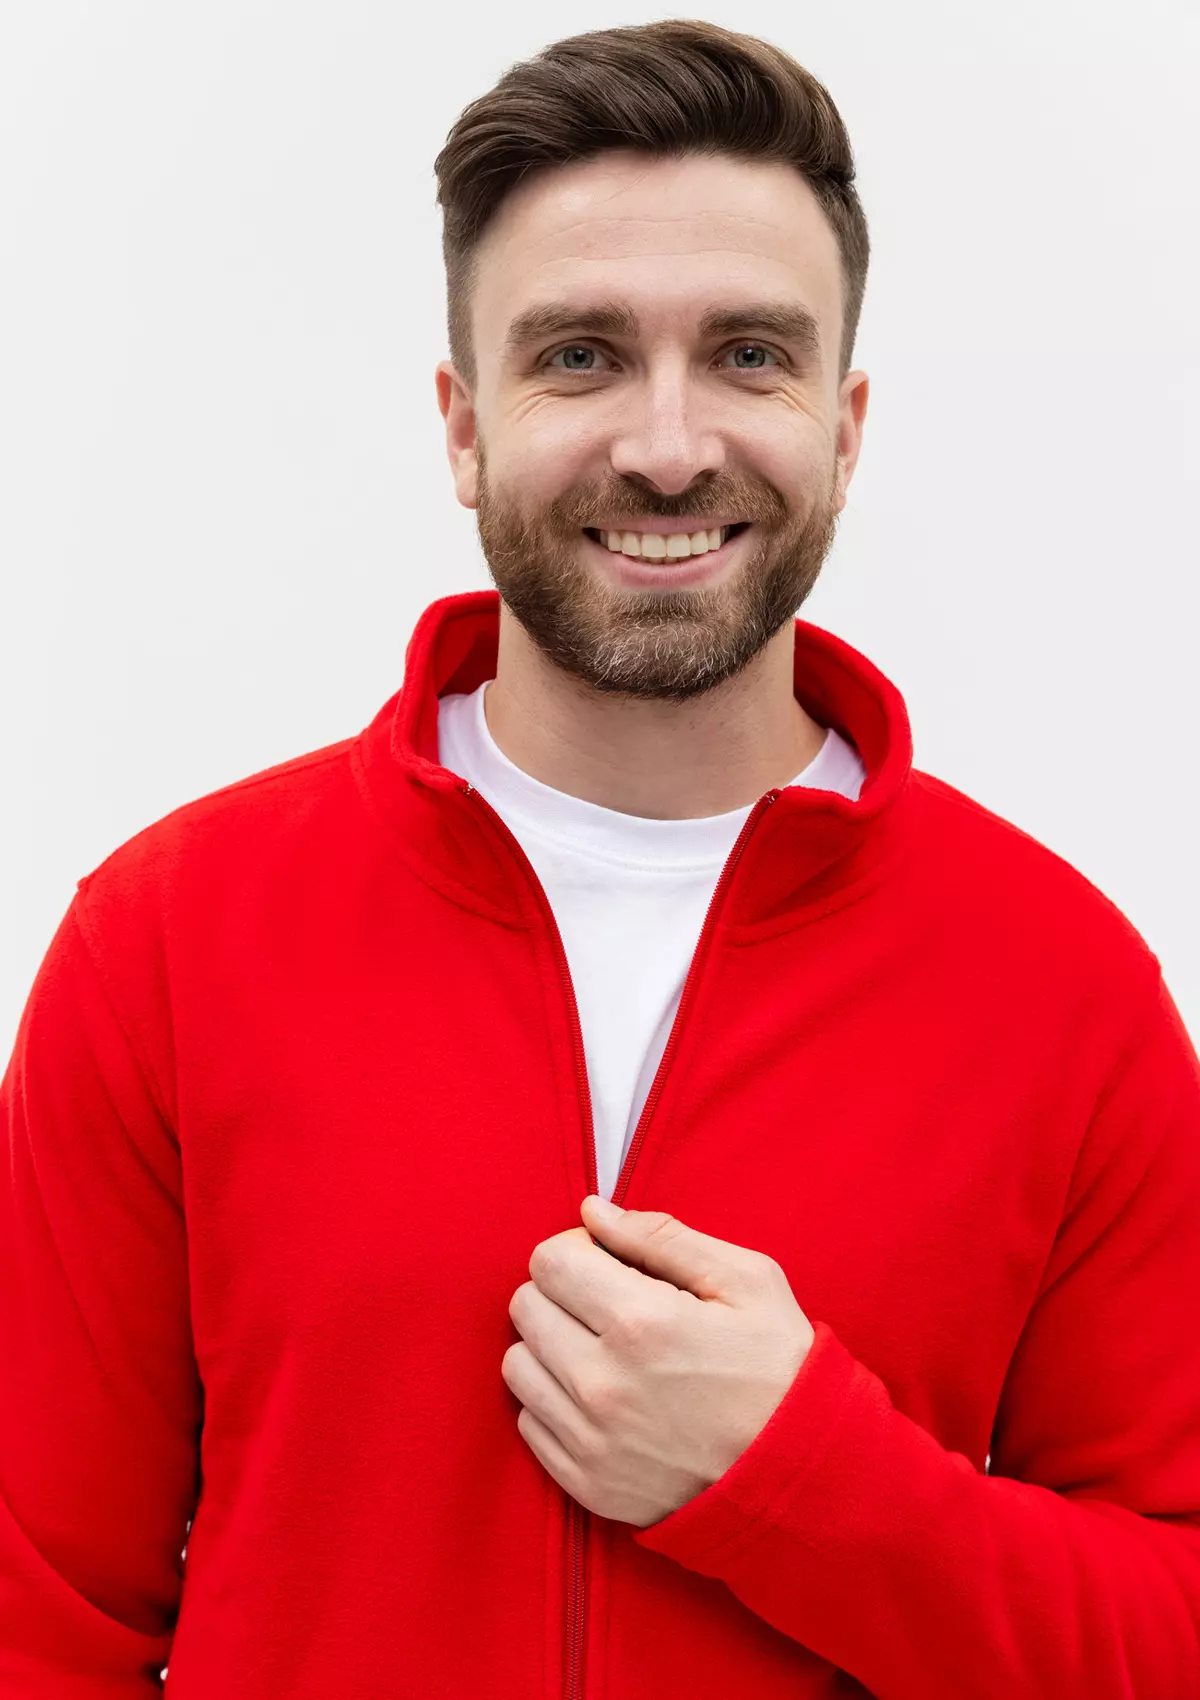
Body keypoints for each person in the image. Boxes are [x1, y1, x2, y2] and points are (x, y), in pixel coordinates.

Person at [2, 18, 1198, 1699]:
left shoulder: (1064, 991)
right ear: (463, 426)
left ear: (845, 426)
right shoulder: (169, 944)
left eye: (750, 356)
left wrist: (800, 1481)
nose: (667, 444)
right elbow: (39, 1625)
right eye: (579, 356)